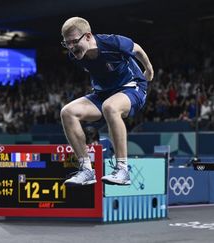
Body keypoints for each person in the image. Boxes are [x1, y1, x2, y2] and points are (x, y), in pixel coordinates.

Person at [60, 17, 153, 186]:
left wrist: (148, 69)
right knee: (67, 112)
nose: (71, 47)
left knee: (110, 107)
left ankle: (123, 170)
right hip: (103, 94)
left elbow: (137, 49)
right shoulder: (75, 56)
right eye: (67, 43)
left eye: (74, 41)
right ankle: (86, 170)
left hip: (132, 87)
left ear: (88, 36)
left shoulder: (112, 43)